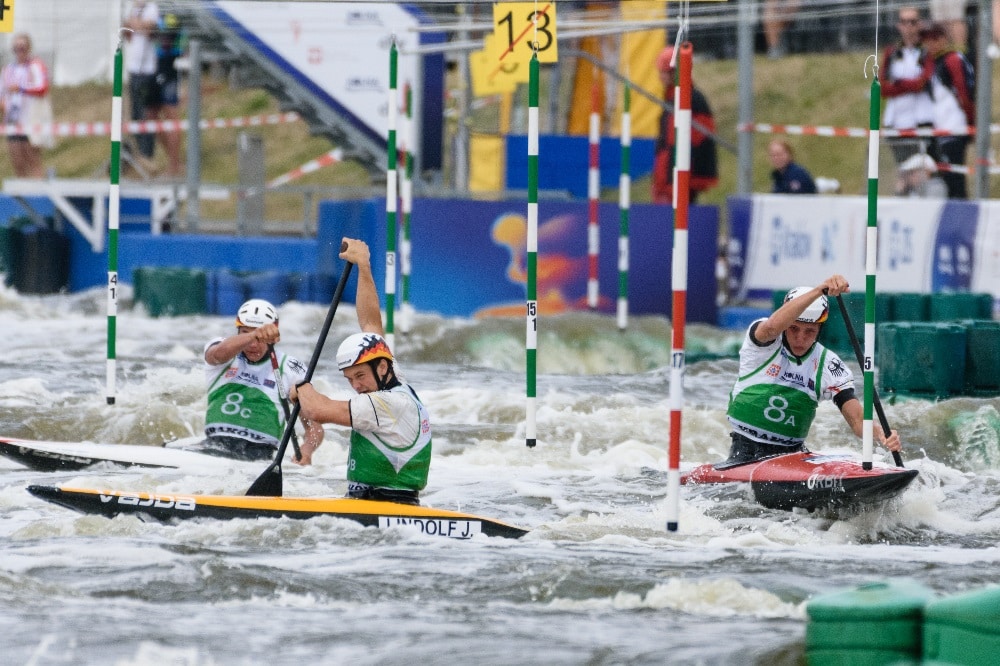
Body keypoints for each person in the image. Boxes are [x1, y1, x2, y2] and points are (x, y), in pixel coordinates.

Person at [292, 238, 432, 505]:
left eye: (360, 376)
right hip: (369, 501)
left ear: (381, 368)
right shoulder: (392, 377)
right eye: (350, 379)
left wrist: (300, 388)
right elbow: (370, 323)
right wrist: (363, 267)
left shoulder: (386, 403)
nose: (356, 386)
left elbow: (318, 410)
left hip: (387, 507)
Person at [724, 276, 902, 465]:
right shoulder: (763, 343)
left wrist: (881, 433)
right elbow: (772, 326)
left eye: (809, 331)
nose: (800, 338)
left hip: (792, 455)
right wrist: (820, 290)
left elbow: (858, 421)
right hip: (745, 452)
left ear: (820, 329)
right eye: (794, 328)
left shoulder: (829, 364)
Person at [203, 298, 324, 462]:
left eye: (260, 338)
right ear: (238, 332)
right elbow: (216, 355)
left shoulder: (291, 369)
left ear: (274, 338)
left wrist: (306, 451)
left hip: (260, 454)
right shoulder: (222, 351)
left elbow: (314, 428)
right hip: (214, 446)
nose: (253, 345)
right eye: (245, 333)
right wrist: (255, 334)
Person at [651, 46, 718, 205]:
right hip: (669, 170)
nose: (662, 76)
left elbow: (698, 140)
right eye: (661, 72)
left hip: (685, 172)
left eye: (666, 71)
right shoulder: (670, 98)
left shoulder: (693, 99)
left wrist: (684, 173)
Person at [920, 22, 974, 199]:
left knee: (955, 178)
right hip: (941, 129)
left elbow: (964, 93)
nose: (931, 44)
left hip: (955, 127)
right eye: (927, 40)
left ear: (944, 39)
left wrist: (970, 122)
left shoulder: (951, 59)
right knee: (946, 179)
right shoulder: (933, 62)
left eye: (935, 39)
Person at [879, 7, 934, 170]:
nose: (908, 26)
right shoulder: (892, 52)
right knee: (902, 171)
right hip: (895, 122)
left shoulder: (926, 52)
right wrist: (908, 85)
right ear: (899, 25)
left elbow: (922, 83)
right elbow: (883, 87)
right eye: (904, 22)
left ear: (920, 24)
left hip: (919, 122)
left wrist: (898, 84)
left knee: (920, 172)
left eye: (913, 22)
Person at [0, 33, 51, 178]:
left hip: (30, 118)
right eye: (16, 48)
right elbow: (2, 92)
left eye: (22, 48)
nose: (19, 51)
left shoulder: (35, 65)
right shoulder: (8, 69)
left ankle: (37, 194)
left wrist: (21, 89)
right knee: (17, 160)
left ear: (28, 48)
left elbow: (42, 88)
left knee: (33, 158)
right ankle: (23, 195)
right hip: (13, 119)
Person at [124, 0, 161, 162]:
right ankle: (139, 152)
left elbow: (149, 27)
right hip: (134, 67)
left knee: (145, 112)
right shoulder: (135, 10)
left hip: (147, 69)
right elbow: (129, 30)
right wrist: (135, 24)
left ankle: (147, 153)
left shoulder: (151, 8)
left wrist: (136, 24)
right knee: (135, 113)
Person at [149, 12, 185, 177]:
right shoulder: (157, 12)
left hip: (169, 67)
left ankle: (174, 165)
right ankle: (173, 161)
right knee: (151, 117)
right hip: (153, 68)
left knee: (171, 116)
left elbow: (168, 38)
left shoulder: (173, 11)